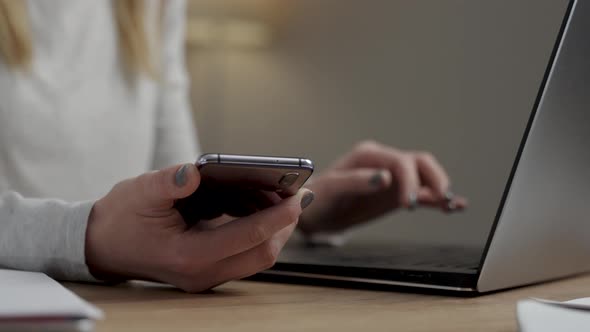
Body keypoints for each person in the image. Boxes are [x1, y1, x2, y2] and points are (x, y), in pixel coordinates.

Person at [0, 0, 466, 292]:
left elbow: (179, 188)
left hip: (134, 312)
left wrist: (291, 207)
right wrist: (88, 238)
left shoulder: (150, 7)